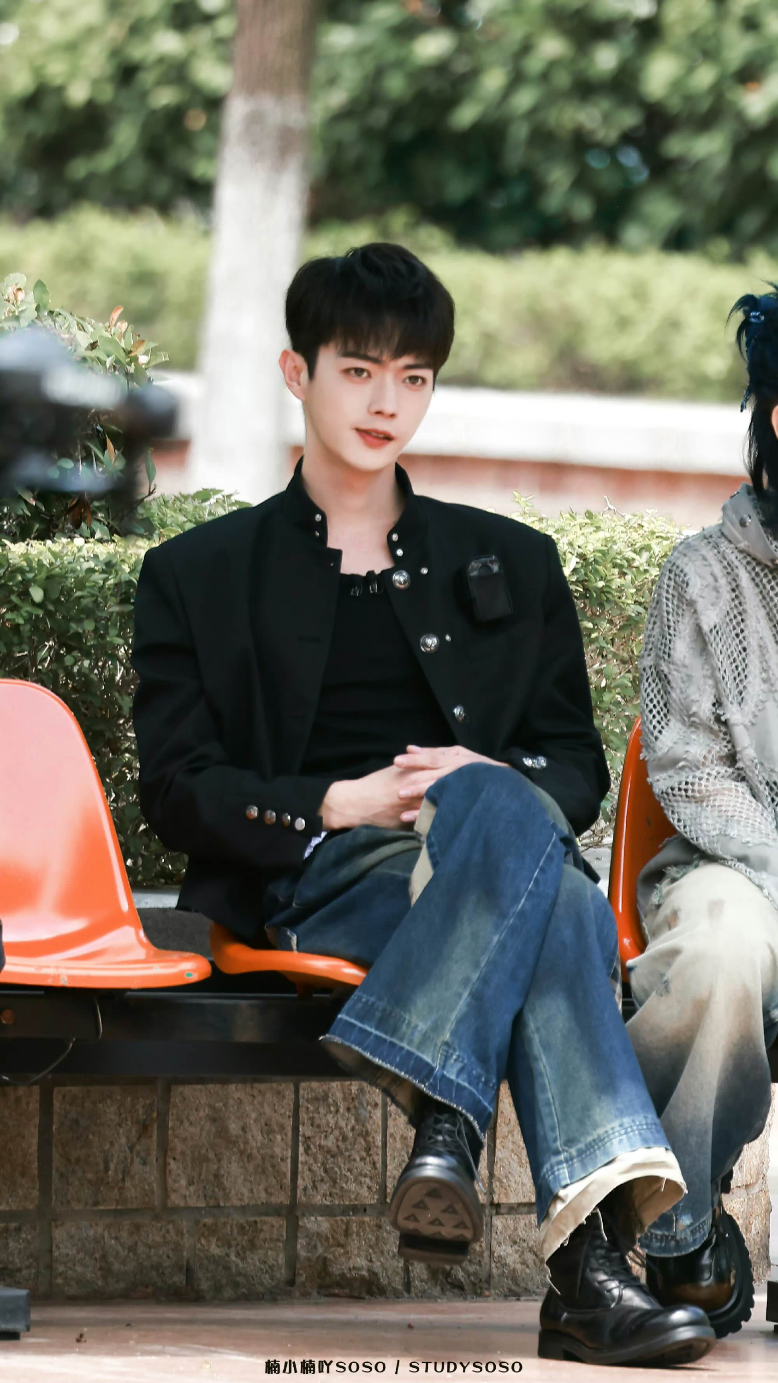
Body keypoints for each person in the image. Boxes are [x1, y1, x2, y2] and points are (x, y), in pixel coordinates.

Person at [132, 243, 714, 1367]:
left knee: (503, 811)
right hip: (325, 878)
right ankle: (586, 1274)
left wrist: (479, 783)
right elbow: (179, 790)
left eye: (413, 376)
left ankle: (447, 1120)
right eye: (358, 371)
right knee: (559, 907)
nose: (385, 402)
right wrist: (335, 802)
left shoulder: (511, 561)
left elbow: (571, 768)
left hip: (476, 862)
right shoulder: (199, 575)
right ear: (297, 373)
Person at [630, 286, 778, 1339]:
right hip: (725, 862)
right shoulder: (704, 576)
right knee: (722, 949)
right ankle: (680, 1220)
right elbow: (685, 771)